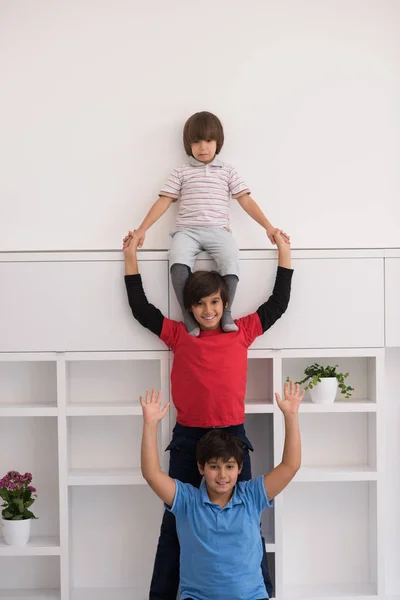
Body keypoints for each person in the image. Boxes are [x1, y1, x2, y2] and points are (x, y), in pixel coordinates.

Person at [123, 229, 293, 600]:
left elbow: (278, 303)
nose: (208, 310)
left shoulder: (243, 331)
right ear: (190, 307)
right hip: (188, 439)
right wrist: (130, 258)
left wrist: (283, 251)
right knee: (174, 526)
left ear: (225, 301)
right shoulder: (180, 335)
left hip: (232, 438)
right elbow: (142, 310)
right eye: (199, 304)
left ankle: (260, 593)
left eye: (214, 302)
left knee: (248, 523)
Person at [129, 110, 290, 336]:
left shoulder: (227, 172)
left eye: (208, 140)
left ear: (218, 142)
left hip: (218, 231)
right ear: (188, 145)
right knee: (177, 259)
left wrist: (269, 227)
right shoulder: (181, 173)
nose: (202, 147)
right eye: (196, 142)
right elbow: (163, 202)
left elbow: (246, 201)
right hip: (187, 231)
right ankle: (188, 313)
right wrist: (141, 230)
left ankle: (226, 311)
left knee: (231, 258)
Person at [140, 382, 304, 600]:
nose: (222, 475)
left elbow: (290, 466)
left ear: (239, 468)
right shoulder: (187, 501)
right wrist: (150, 424)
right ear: (201, 468)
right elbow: (152, 474)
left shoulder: (252, 496)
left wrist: (291, 415)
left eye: (229, 467)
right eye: (214, 467)